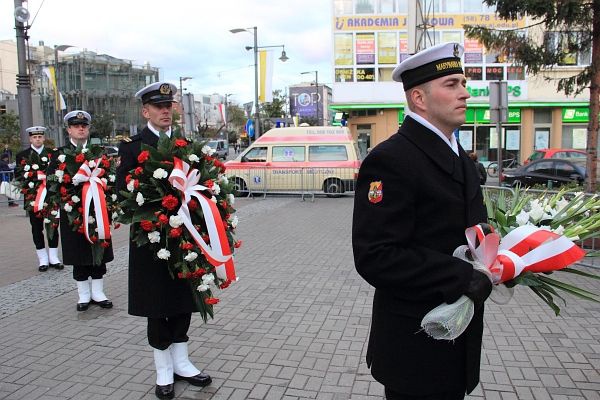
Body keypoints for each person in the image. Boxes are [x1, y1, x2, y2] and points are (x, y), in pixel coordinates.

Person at [352, 43, 492, 400]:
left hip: (455, 337)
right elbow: (377, 255)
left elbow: (465, 225)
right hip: (414, 346)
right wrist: (461, 276)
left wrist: (503, 253)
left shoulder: (458, 154)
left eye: (464, 82)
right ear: (419, 97)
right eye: (451, 84)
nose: (465, 92)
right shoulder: (392, 159)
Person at [116, 82, 212, 400]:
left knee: (185, 297)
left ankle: (182, 362)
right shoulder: (131, 147)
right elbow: (122, 190)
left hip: (184, 236)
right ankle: (163, 370)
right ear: (146, 111)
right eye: (158, 107)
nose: (165, 111)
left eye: (168, 106)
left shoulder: (185, 144)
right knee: (157, 303)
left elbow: (203, 183)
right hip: (152, 239)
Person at [49, 110, 114, 311]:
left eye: (84, 125)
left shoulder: (99, 153)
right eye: (76, 126)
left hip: (96, 211)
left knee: (97, 250)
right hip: (73, 213)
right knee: (78, 251)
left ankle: (98, 292)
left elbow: (110, 179)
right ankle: (83, 294)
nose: (80, 128)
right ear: (68, 129)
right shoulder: (59, 155)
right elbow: (53, 183)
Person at [16, 126, 63, 271]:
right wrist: (35, 177)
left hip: (50, 196)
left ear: (44, 138)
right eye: (34, 137)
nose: (37, 139)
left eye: (40, 137)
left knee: (53, 226)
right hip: (33, 198)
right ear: (30, 138)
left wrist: (47, 177)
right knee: (36, 228)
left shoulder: (52, 154)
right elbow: (18, 176)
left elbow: (59, 173)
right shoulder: (22, 155)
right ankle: (42, 258)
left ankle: (54, 257)